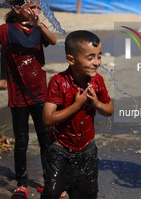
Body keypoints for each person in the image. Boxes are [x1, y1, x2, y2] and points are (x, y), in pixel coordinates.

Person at [0, 0, 56, 199]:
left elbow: (54, 40)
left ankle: (50, 182)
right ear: (17, 9)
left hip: (40, 96)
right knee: (21, 141)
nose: (36, 12)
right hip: (18, 97)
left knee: (46, 139)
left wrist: (38, 25)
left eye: (38, 7)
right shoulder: (7, 30)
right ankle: (22, 183)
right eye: (32, 7)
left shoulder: (39, 30)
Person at [41, 30, 114, 199]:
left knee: (86, 195)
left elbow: (109, 110)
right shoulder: (58, 82)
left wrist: (96, 104)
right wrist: (78, 104)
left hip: (87, 150)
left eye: (99, 56)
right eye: (90, 58)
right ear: (71, 59)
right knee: (52, 193)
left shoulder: (97, 82)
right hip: (60, 149)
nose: (96, 62)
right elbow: (48, 119)